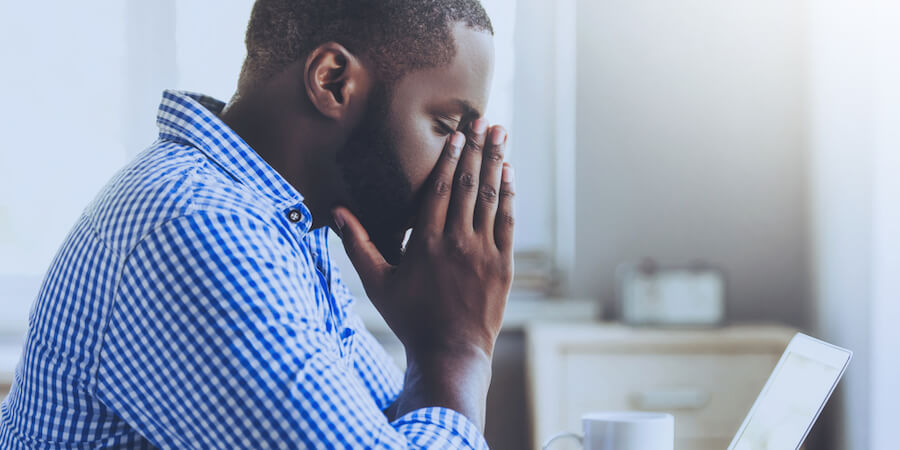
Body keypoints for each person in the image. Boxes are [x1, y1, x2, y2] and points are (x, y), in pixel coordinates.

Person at [0, 1, 515, 448]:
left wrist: (434, 345)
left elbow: (382, 428)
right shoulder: (199, 228)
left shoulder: (283, 228)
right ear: (332, 80)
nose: (461, 166)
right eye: (446, 128)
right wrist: (459, 349)